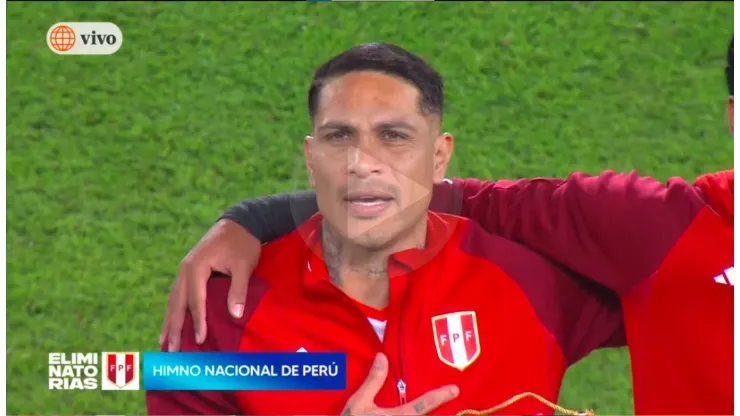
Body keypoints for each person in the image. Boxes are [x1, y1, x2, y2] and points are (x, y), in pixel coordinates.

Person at [160, 37, 735, 415]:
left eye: (394, 136)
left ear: (439, 157)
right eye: (340, 138)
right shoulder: (219, 315)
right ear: (311, 157)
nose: (364, 162)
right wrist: (245, 220)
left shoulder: (533, 284)